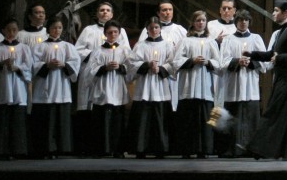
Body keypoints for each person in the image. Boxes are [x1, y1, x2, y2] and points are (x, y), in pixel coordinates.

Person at [246, 0, 287, 160]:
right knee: (281, 114)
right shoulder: (283, 30)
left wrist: (280, 59)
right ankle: (278, 150)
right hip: (283, 78)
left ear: (285, 12)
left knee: (274, 112)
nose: (273, 13)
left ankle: (260, 148)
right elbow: (271, 54)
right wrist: (252, 54)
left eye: (276, 11)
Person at [217, 9, 267, 157]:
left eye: (246, 20)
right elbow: (222, 62)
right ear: (236, 22)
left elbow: (265, 63)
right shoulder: (228, 40)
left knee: (251, 118)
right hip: (234, 85)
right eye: (240, 20)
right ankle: (232, 149)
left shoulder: (256, 38)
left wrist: (251, 63)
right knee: (234, 117)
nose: (243, 22)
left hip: (250, 85)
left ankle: (251, 149)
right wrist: (237, 61)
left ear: (249, 22)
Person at [30, 16, 80, 158]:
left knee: (60, 120)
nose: (56, 30)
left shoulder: (68, 46)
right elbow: (33, 65)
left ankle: (59, 149)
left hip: (61, 87)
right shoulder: (40, 47)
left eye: (59, 28)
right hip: (44, 88)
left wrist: (65, 65)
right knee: (44, 121)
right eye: (54, 27)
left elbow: (75, 64)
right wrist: (46, 65)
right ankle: (43, 149)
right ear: (48, 29)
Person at [0, 18, 32, 158]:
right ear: (3, 30)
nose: (11, 32)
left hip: (17, 89)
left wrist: (18, 67)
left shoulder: (24, 48)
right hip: (0, 88)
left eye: (14, 30)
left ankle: (18, 151)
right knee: (0, 119)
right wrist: (0, 64)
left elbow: (29, 69)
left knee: (16, 120)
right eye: (8, 29)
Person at [173, 10, 221, 158]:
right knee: (187, 119)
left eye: (203, 21)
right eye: (198, 20)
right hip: (188, 85)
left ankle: (203, 149)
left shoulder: (211, 41)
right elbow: (175, 61)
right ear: (193, 22)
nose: (201, 23)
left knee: (205, 120)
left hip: (205, 87)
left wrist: (207, 62)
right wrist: (191, 61)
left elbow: (219, 64)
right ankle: (186, 150)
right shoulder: (185, 41)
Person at [126, 16, 174, 158]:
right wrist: (147, 65)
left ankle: (161, 149)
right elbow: (131, 63)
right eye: (151, 27)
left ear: (160, 29)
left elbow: (173, 64)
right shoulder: (140, 46)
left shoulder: (167, 45)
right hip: (144, 88)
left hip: (160, 87)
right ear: (147, 29)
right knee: (143, 119)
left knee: (160, 119)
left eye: (156, 27)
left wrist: (161, 69)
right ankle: (141, 149)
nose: (154, 30)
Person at [81, 19, 129, 157]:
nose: (113, 34)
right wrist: (104, 67)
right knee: (100, 120)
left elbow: (131, 69)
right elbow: (89, 70)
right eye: (110, 32)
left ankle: (117, 149)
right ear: (105, 34)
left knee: (117, 121)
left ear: (119, 33)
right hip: (102, 87)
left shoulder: (124, 50)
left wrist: (120, 67)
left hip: (118, 87)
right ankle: (100, 148)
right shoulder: (98, 50)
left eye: (115, 32)